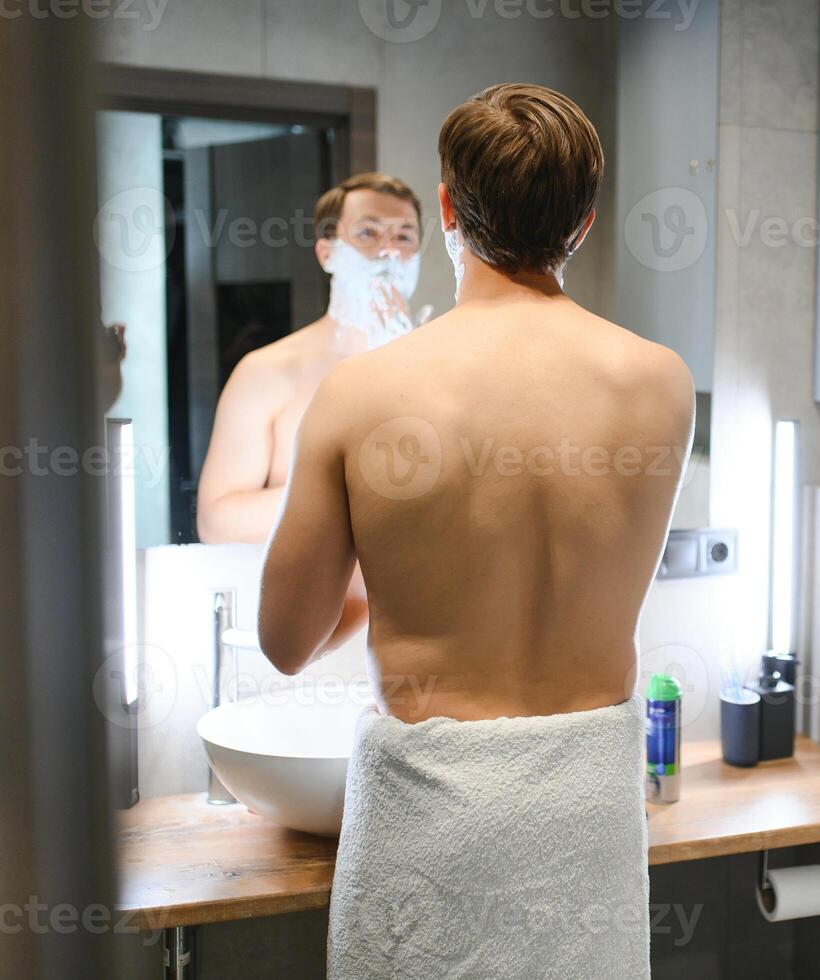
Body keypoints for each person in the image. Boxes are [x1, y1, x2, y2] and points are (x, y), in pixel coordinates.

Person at [258, 84, 693, 978]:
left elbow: (284, 641)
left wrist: (394, 561)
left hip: (431, 823)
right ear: (584, 220)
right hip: (587, 822)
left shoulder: (363, 394)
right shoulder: (660, 383)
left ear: (448, 209)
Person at [195, 172, 425, 546]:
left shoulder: (443, 366)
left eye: (404, 236)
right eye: (367, 233)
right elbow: (218, 523)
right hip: (316, 602)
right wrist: (350, 492)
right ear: (327, 253)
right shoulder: (267, 372)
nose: (389, 252)